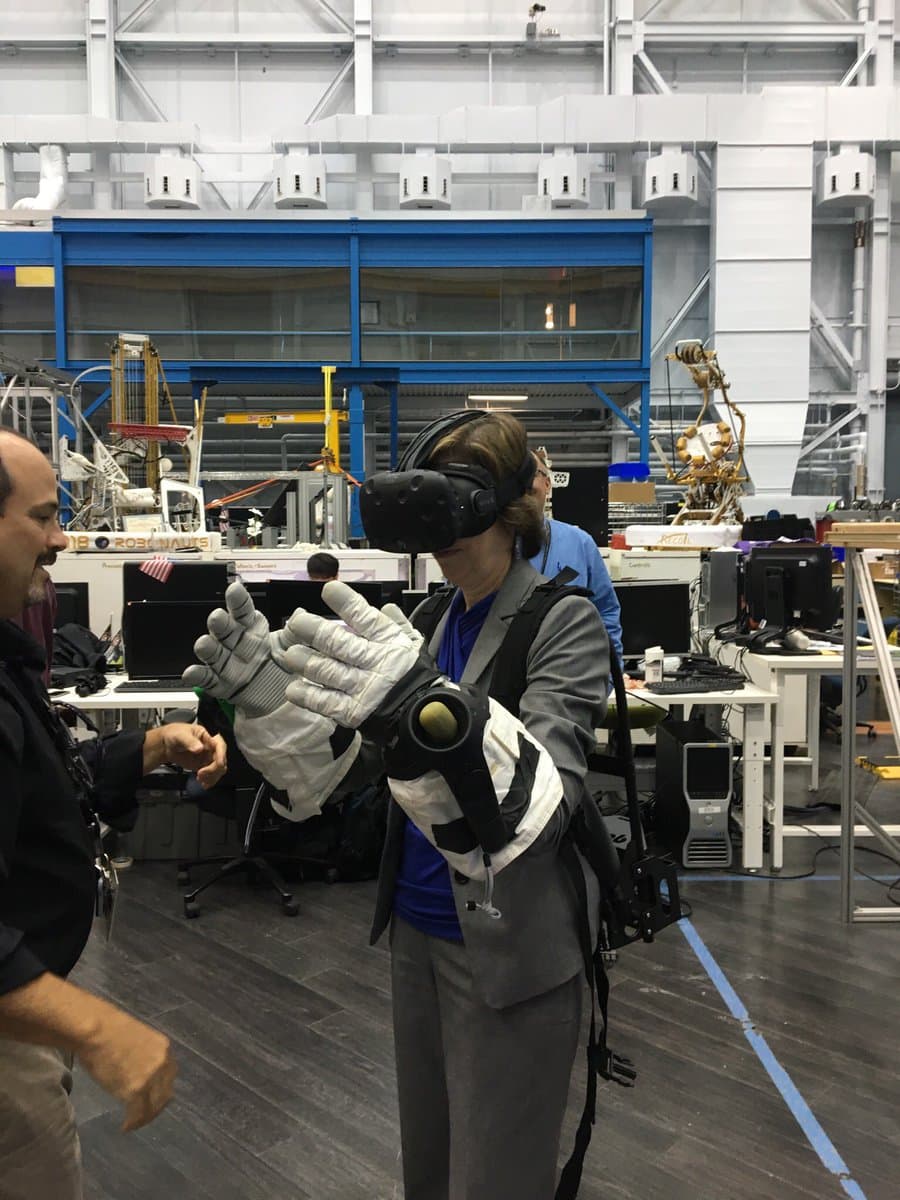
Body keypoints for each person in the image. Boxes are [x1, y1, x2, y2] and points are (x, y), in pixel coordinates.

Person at [185, 411, 611, 1200]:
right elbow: (356, 779)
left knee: (497, 1178)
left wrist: (424, 704)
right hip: (418, 930)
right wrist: (277, 707)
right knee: (431, 1173)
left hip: (512, 953)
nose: (435, 526)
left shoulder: (563, 620)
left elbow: (549, 802)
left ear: (509, 506)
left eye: (454, 501)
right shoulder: (426, 618)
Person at [0, 429, 228, 1200]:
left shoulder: (7, 662)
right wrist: (99, 1028)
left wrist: (156, 745)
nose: (61, 540)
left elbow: (44, 789)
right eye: (42, 518)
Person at [528, 447, 624, 668]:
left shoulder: (579, 543)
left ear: (548, 484)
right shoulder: (484, 546)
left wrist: (607, 675)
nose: (524, 485)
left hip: (569, 678)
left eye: (531, 474)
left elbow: (606, 611)